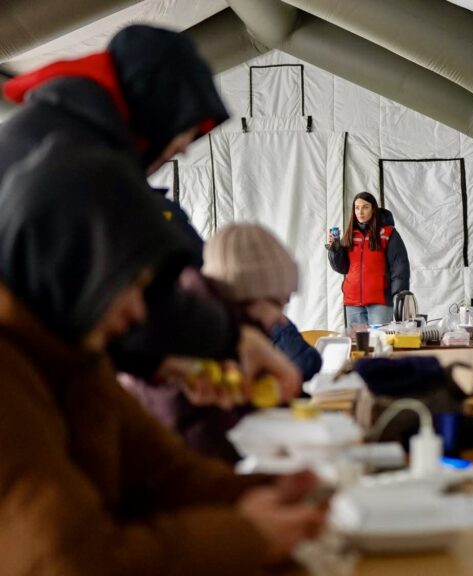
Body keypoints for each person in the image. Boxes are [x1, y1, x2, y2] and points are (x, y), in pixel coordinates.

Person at [0, 139, 325, 574]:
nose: (138, 312)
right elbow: (71, 563)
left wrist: (273, 490)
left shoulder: (78, 361)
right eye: (130, 285)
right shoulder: (10, 378)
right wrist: (248, 535)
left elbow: (163, 476)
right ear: (71, 268)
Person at [0, 24, 300, 396]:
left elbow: (85, 306)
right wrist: (235, 339)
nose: (184, 147)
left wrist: (158, 362)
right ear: (158, 106)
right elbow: (122, 295)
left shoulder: (58, 128)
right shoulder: (81, 157)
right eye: (186, 129)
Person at [125, 223, 322, 462]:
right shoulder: (193, 341)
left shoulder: (234, 332)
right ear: (247, 295)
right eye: (277, 302)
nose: (281, 316)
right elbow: (202, 439)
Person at [327, 192, 410, 327]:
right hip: (353, 304)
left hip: (380, 303)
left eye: (365, 207)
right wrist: (334, 249)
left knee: (379, 344)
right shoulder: (350, 235)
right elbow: (341, 268)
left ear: (373, 209)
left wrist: (398, 294)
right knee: (358, 346)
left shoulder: (388, 233)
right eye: (357, 207)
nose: (360, 212)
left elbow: (399, 266)